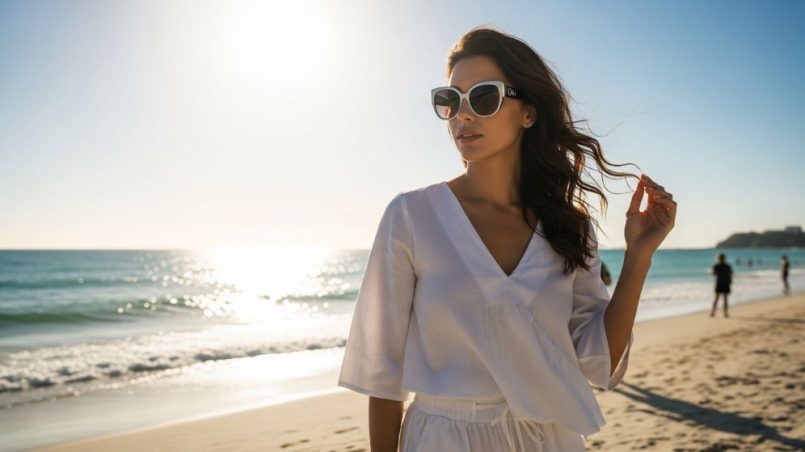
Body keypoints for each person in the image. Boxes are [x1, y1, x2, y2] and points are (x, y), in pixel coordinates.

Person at [337, 27, 676, 452]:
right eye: (450, 101)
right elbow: (382, 374)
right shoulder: (411, 216)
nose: (463, 115)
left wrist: (637, 259)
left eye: (483, 97)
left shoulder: (568, 229)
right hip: (443, 438)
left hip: (547, 439)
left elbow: (596, 359)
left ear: (529, 112)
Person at [710, 253, 733, 318]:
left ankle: (713, 312)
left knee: (716, 298)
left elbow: (713, 274)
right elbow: (731, 274)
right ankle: (725, 313)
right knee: (725, 299)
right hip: (726, 283)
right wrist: (730, 282)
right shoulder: (727, 266)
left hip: (719, 283)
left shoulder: (716, 265)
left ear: (718, 258)